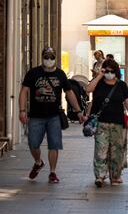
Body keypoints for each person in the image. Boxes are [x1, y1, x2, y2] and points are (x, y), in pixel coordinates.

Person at [19, 47, 84, 184]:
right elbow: (24, 91)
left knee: (54, 144)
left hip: (54, 116)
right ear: (42, 57)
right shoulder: (33, 73)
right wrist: (22, 110)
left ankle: (52, 172)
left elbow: (69, 93)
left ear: (55, 58)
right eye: (46, 57)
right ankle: (38, 162)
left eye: (51, 57)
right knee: (33, 143)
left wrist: (78, 111)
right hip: (36, 116)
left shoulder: (60, 74)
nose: (49, 60)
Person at [85, 59, 128, 187]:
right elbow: (88, 89)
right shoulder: (98, 84)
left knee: (116, 151)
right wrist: (99, 76)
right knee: (100, 150)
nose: (109, 73)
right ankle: (100, 176)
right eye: (107, 71)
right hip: (101, 123)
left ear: (116, 71)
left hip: (117, 123)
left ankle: (115, 176)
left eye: (112, 71)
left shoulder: (121, 85)